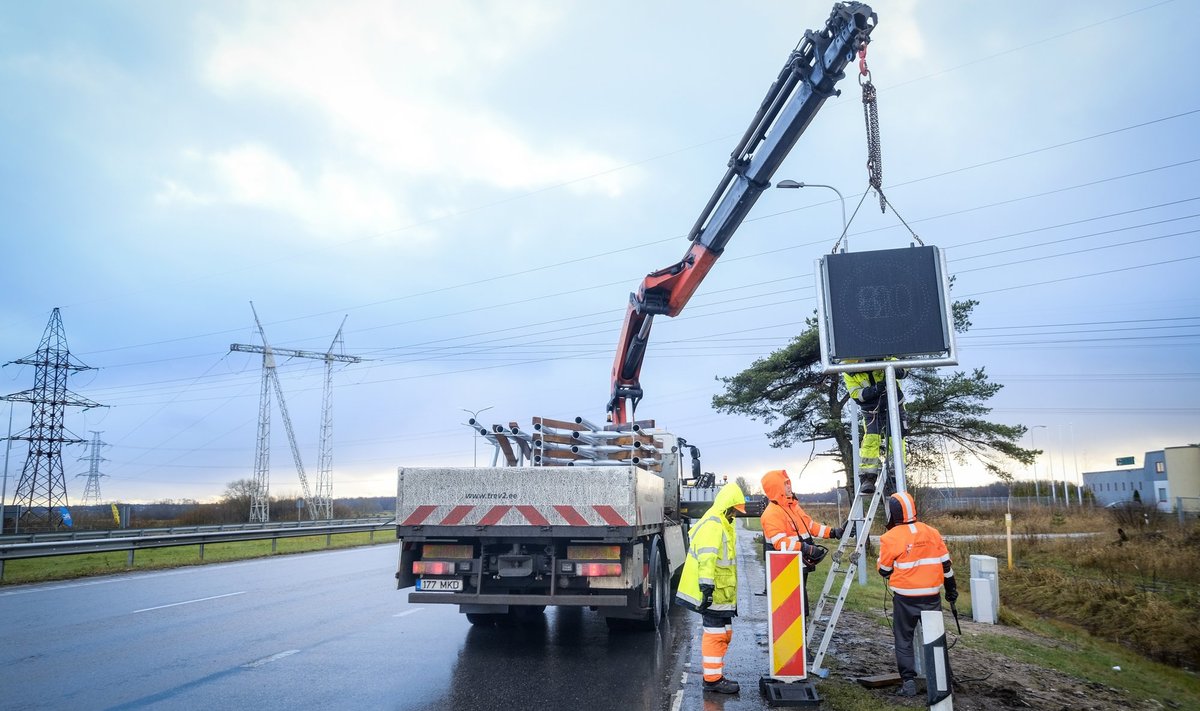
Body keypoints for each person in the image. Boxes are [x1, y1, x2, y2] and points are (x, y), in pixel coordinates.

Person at [876, 491, 957, 697]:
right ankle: (943, 679)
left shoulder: (890, 537)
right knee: (936, 639)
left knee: (904, 639)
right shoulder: (932, 532)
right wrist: (951, 589)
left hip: (905, 597)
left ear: (893, 513)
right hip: (931, 596)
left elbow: (884, 570)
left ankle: (909, 681)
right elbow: (946, 565)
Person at [676, 481, 746, 695]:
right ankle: (713, 680)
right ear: (728, 507)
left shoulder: (723, 523)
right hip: (714, 592)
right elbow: (707, 558)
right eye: (734, 510)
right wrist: (706, 587)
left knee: (724, 633)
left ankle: (715, 676)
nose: (735, 514)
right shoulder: (714, 524)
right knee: (715, 634)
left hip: (721, 593)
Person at [759, 469, 843, 617]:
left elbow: (810, 526)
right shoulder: (771, 513)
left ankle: (800, 634)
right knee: (792, 609)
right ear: (776, 487)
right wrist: (806, 549)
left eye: (789, 483)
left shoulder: (793, 507)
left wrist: (833, 532)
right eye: (785, 484)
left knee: (799, 607)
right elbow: (780, 543)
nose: (789, 487)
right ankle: (795, 636)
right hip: (786, 568)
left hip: (799, 564)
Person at [842, 362, 908, 495]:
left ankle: (894, 478)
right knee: (871, 440)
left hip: (894, 405)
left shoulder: (883, 352)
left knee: (896, 440)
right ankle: (868, 478)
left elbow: (904, 369)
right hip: (871, 410)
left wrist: (896, 370)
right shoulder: (848, 368)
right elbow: (856, 395)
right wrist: (876, 389)